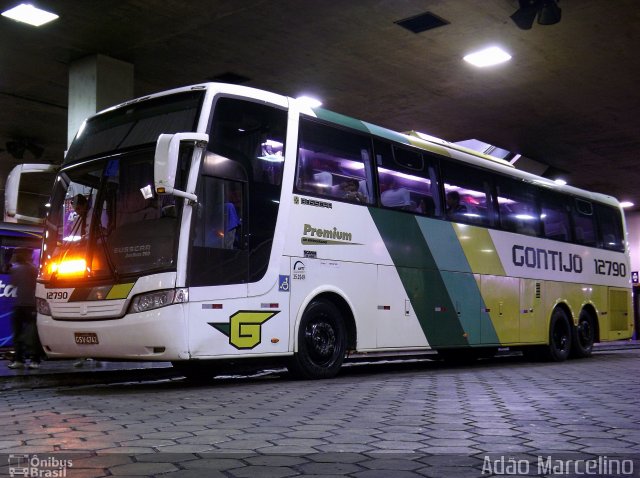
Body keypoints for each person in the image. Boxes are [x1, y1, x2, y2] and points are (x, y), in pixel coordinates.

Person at [8, 248, 42, 369]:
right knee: (32, 334)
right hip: (32, 305)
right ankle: (34, 360)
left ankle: (19, 359)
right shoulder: (34, 269)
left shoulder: (15, 269)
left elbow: (13, 284)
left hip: (20, 305)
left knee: (18, 333)